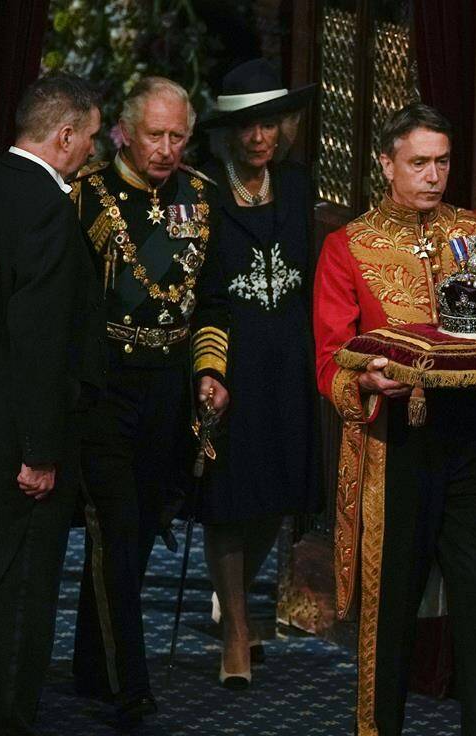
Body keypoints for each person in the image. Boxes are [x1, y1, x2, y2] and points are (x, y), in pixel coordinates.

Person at [313, 103, 476, 736]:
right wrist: (368, 380)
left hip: (463, 431)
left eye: (442, 160)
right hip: (391, 442)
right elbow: (330, 357)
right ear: (386, 164)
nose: (433, 174)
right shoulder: (347, 247)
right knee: (391, 602)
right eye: (419, 161)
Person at [69, 77, 230, 729]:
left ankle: (90, 659)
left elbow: (212, 300)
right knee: (117, 523)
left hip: (168, 385)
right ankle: (129, 684)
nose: (166, 149)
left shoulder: (201, 198)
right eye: (155, 135)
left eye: (178, 137)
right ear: (125, 133)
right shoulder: (88, 199)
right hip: (107, 383)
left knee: (136, 527)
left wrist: (212, 369)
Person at [0, 72, 106, 736]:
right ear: (65, 135)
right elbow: (42, 340)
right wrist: (42, 451)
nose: (91, 152)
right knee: (23, 574)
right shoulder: (48, 208)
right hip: (25, 431)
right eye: (90, 138)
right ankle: (8, 715)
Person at [196, 59, 319, 688]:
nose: (258, 137)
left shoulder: (298, 188)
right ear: (227, 133)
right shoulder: (203, 192)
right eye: (246, 126)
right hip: (230, 361)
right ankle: (238, 633)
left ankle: (235, 606)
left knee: (277, 491)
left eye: (269, 123)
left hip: (288, 360)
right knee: (229, 498)